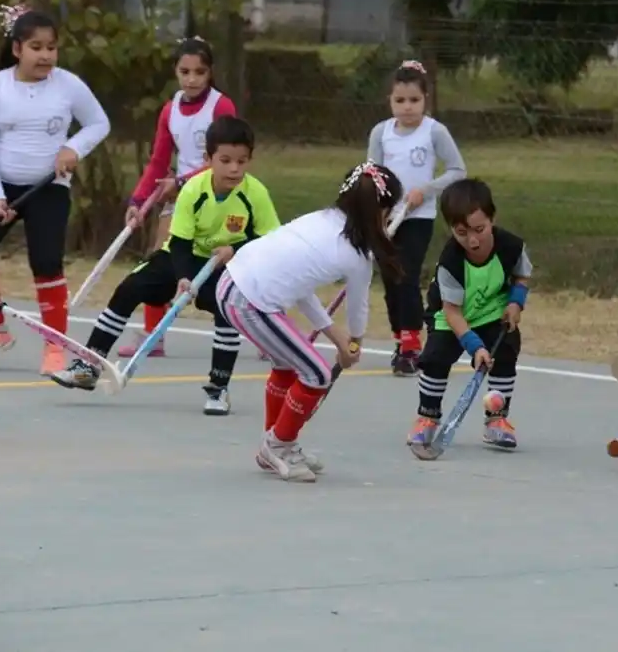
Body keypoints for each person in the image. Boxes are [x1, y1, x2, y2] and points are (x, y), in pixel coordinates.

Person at [51, 116, 280, 415]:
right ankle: (89, 364)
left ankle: (218, 388)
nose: (234, 168)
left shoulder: (255, 194)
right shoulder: (193, 190)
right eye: (225, 160)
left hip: (227, 265)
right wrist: (184, 278)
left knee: (228, 310)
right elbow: (181, 242)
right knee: (129, 288)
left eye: (242, 161)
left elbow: (270, 239)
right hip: (181, 255)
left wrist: (234, 249)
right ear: (208, 159)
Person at [216, 160, 405, 482]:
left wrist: (335, 335)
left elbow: (300, 288)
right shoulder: (355, 255)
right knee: (316, 373)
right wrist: (353, 343)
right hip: (251, 301)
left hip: (232, 286)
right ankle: (278, 444)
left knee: (289, 364)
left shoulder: (318, 220)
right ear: (379, 211)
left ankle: (276, 443)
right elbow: (358, 311)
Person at [0, 4, 111, 376]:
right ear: (17, 49)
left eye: (51, 47)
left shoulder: (68, 84)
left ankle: (54, 344)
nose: (45, 55)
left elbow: (98, 123)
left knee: (46, 264)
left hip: (49, 187)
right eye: (36, 47)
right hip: (3, 186)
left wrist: (72, 149)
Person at [120, 36, 237, 359]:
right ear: (176, 71)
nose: (192, 79)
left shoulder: (221, 106)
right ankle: (153, 336)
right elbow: (158, 161)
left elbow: (227, 155)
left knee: (235, 269)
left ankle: (263, 332)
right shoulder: (170, 110)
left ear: (210, 72)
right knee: (159, 260)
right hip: (182, 197)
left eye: (199, 72)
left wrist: (182, 179)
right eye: (185, 71)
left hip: (221, 195)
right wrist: (137, 201)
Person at [406, 178, 532, 451]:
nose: (473, 240)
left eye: (480, 229)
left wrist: (515, 304)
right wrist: (474, 346)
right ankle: (427, 418)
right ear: (451, 228)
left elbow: (521, 277)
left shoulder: (511, 246)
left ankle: (496, 420)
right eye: (462, 232)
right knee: (436, 359)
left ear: (492, 218)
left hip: (491, 312)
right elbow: (452, 312)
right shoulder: (450, 262)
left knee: (506, 352)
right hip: (450, 317)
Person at [367, 60, 466, 377]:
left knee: (406, 277)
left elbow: (457, 171)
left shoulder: (434, 131)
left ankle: (411, 345)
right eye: (400, 101)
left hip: (417, 216)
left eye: (414, 100)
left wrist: (426, 190)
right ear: (390, 101)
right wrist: (379, 209)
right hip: (386, 218)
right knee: (390, 281)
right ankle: (400, 339)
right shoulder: (381, 133)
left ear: (426, 99)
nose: (407, 107)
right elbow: (373, 175)